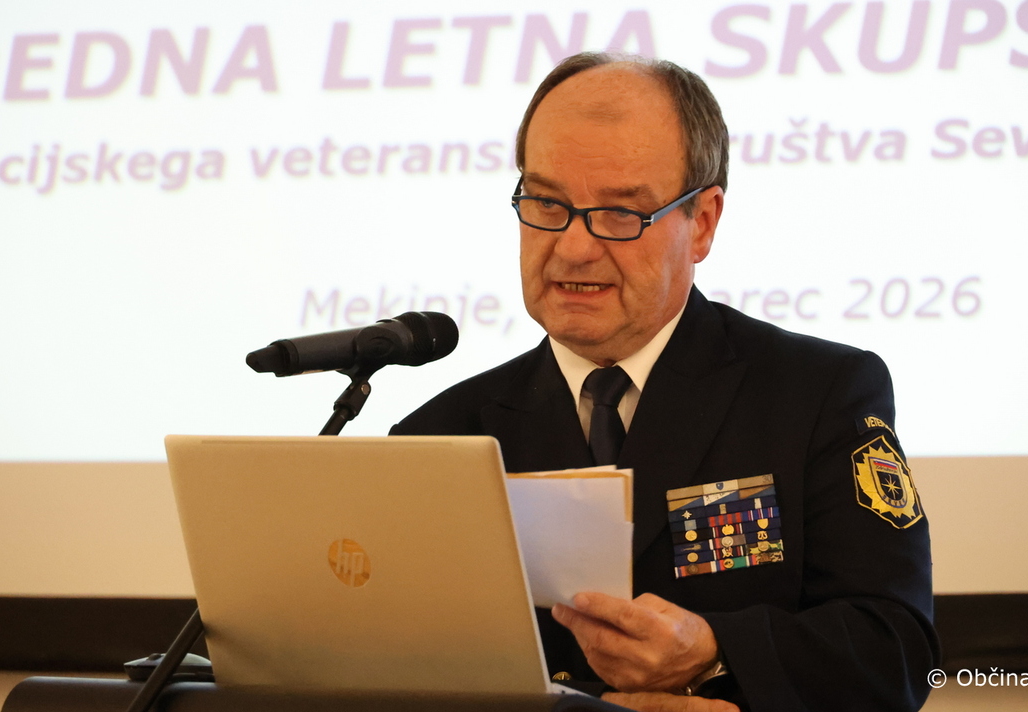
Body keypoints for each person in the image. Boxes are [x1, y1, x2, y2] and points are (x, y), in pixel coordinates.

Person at [391, 52, 938, 711]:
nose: (573, 248)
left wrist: (714, 650)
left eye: (622, 213)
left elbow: (894, 650)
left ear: (702, 222)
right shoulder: (439, 437)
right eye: (547, 203)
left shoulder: (818, 393)